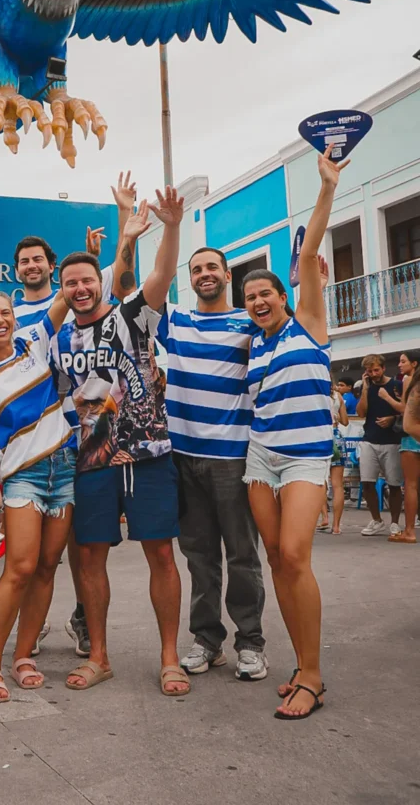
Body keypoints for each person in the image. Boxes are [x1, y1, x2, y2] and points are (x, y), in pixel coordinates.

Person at [49, 189, 190, 696]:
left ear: (100, 282)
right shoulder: (60, 338)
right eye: (70, 284)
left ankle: (170, 657)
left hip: (148, 452)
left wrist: (168, 228)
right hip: (90, 461)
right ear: (62, 290)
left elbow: (160, 277)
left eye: (87, 280)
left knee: (160, 554)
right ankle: (100, 656)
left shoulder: (132, 316)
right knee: (89, 559)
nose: (80, 289)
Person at [242, 145, 347, 720]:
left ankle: (313, 673)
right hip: (261, 457)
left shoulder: (308, 325)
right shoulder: (255, 347)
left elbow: (308, 253)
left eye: (265, 294)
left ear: (284, 297)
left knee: (294, 553)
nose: (257, 301)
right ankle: (302, 664)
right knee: (277, 563)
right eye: (250, 297)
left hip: (307, 456)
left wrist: (326, 187)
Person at [11, 173, 134, 658]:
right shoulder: (15, 315)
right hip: (44, 444)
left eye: (38, 259)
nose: (31, 266)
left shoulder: (67, 308)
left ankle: (84, 621)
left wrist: (124, 227)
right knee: (38, 554)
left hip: (94, 442)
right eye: (24, 261)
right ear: (17, 270)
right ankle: (31, 626)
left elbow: (104, 289)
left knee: (86, 546)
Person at [156, 244, 267, 682]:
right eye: (196, 268)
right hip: (182, 458)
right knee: (199, 557)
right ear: (190, 277)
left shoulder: (250, 323)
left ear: (226, 275)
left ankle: (251, 643)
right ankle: (206, 641)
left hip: (233, 458)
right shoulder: (176, 320)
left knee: (242, 555)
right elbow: (141, 289)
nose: (205, 274)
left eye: (212, 267)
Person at [0, 289, 76, 702]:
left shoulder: (34, 343)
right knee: (20, 568)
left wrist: (115, 241)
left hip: (64, 466)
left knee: (47, 567)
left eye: (5, 313)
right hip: (22, 476)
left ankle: (23, 656)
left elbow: (65, 298)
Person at [356, 353, 403, 537]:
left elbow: (407, 410)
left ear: (383, 368)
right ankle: (376, 520)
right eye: (370, 371)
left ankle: (394, 523)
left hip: (392, 441)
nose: (374, 374)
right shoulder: (366, 387)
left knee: (394, 484)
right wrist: (366, 389)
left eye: (376, 370)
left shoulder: (396, 386)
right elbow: (361, 413)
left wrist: (392, 419)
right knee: (367, 483)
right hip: (369, 439)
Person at [386, 350, 420, 543]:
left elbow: (405, 411)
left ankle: (409, 531)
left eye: (403, 361)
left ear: (414, 364)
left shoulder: (410, 381)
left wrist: (387, 397)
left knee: (411, 485)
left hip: (412, 437)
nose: (399, 365)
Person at [319, 380, 348, 535]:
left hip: (321, 436)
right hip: (336, 436)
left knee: (320, 481)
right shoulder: (338, 396)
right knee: (338, 485)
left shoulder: (316, 393)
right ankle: (336, 526)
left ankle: (324, 517)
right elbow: (345, 421)